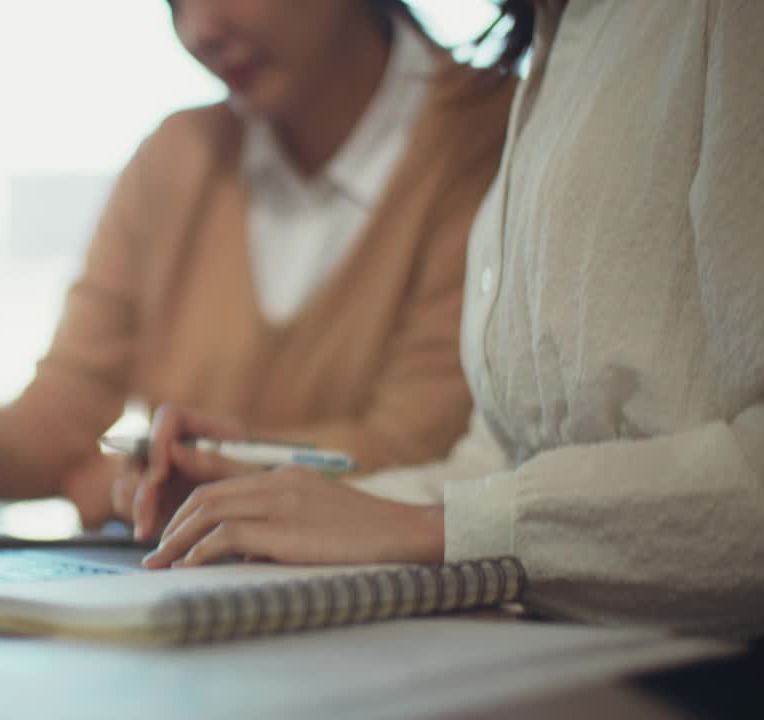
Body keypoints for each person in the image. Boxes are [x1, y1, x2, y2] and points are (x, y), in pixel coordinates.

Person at [134, 0, 764, 638]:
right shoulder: (558, 49)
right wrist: (278, 505)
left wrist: (426, 529)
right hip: (550, 645)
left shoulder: (721, 25)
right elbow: (498, 463)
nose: (198, 30)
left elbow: (476, 499)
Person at [0, 0, 518, 530]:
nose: (199, 30)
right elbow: (59, 422)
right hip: (206, 600)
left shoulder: (495, 133)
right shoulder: (179, 158)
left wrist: (140, 477)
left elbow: (420, 449)